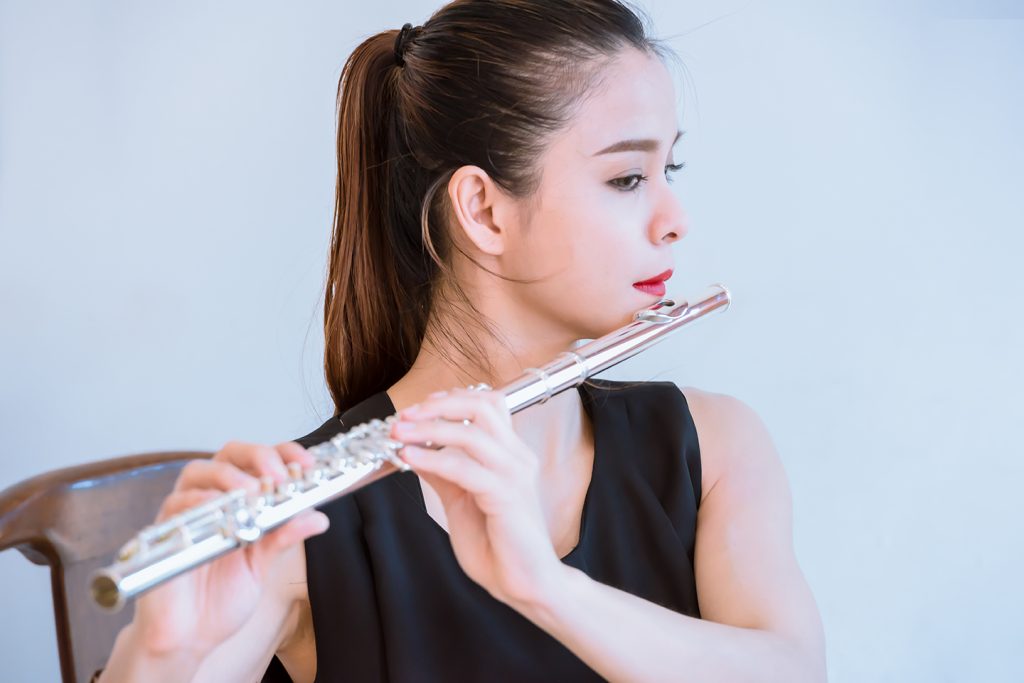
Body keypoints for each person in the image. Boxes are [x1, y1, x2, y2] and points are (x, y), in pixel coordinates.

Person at [96, 1, 826, 681]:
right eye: (629, 177)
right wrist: (162, 649)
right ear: (483, 210)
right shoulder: (308, 529)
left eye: (671, 168)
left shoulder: (715, 444)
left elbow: (793, 667)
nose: (675, 219)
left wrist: (546, 588)